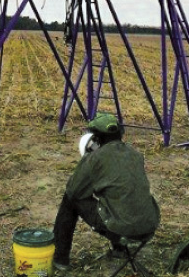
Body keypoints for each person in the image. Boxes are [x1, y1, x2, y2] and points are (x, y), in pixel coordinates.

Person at [52, 113, 160, 271]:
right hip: (149, 225)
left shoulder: (96, 158)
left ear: (95, 139)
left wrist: (86, 161)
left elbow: (74, 190)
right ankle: (119, 249)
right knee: (119, 199)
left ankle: (59, 258)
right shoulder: (135, 155)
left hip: (123, 229)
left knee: (70, 199)